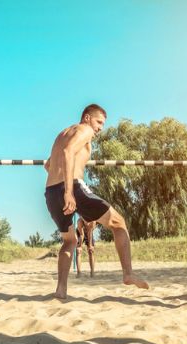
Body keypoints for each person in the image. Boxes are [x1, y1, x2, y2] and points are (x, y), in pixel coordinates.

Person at [44, 104, 149, 299]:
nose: (100, 127)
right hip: (72, 187)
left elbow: (48, 165)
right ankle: (128, 273)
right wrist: (68, 192)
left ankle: (61, 289)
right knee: (119, 223)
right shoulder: (84, 130)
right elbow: (68, 152)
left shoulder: (62, 134)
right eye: (99, 122)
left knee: (69, 241)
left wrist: (59, 188)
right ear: (86, 118)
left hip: (50, 192)